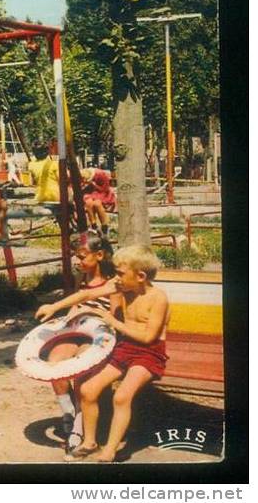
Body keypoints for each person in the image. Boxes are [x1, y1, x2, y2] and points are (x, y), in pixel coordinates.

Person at [40, 245, 169, 463]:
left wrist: (112, 321)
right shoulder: (122, 287)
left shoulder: (158, 298)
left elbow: (148, 338)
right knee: (89, 390)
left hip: (148, 354)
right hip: (126, 348)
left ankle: (109, 450)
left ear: (140, 276)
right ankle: (89, 442)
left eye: (120, 273)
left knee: (121, 396)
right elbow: (87, 293)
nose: (116, 278)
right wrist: (55, 306)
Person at [33, 232, 116, 454]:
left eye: (82, 257)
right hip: (78, 329)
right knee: (55, 363)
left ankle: (78, 430)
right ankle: (69, 414)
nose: (78, 262)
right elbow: (77, 303)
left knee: (80, 370)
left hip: (100, 335)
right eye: (76, 257)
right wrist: (64, 319)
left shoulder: (113, 282)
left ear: (99, 255)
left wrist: (91, 311)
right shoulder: (81, 279)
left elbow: (114, 317)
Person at [82, 168, 116, 238]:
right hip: (92, 192)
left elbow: (105, 189)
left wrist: (94, 185)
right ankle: (93, 225)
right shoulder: (85, 174)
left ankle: (105, 226)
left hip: (103, 193)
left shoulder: (101, 175)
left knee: (97, 204)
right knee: (88, 203)